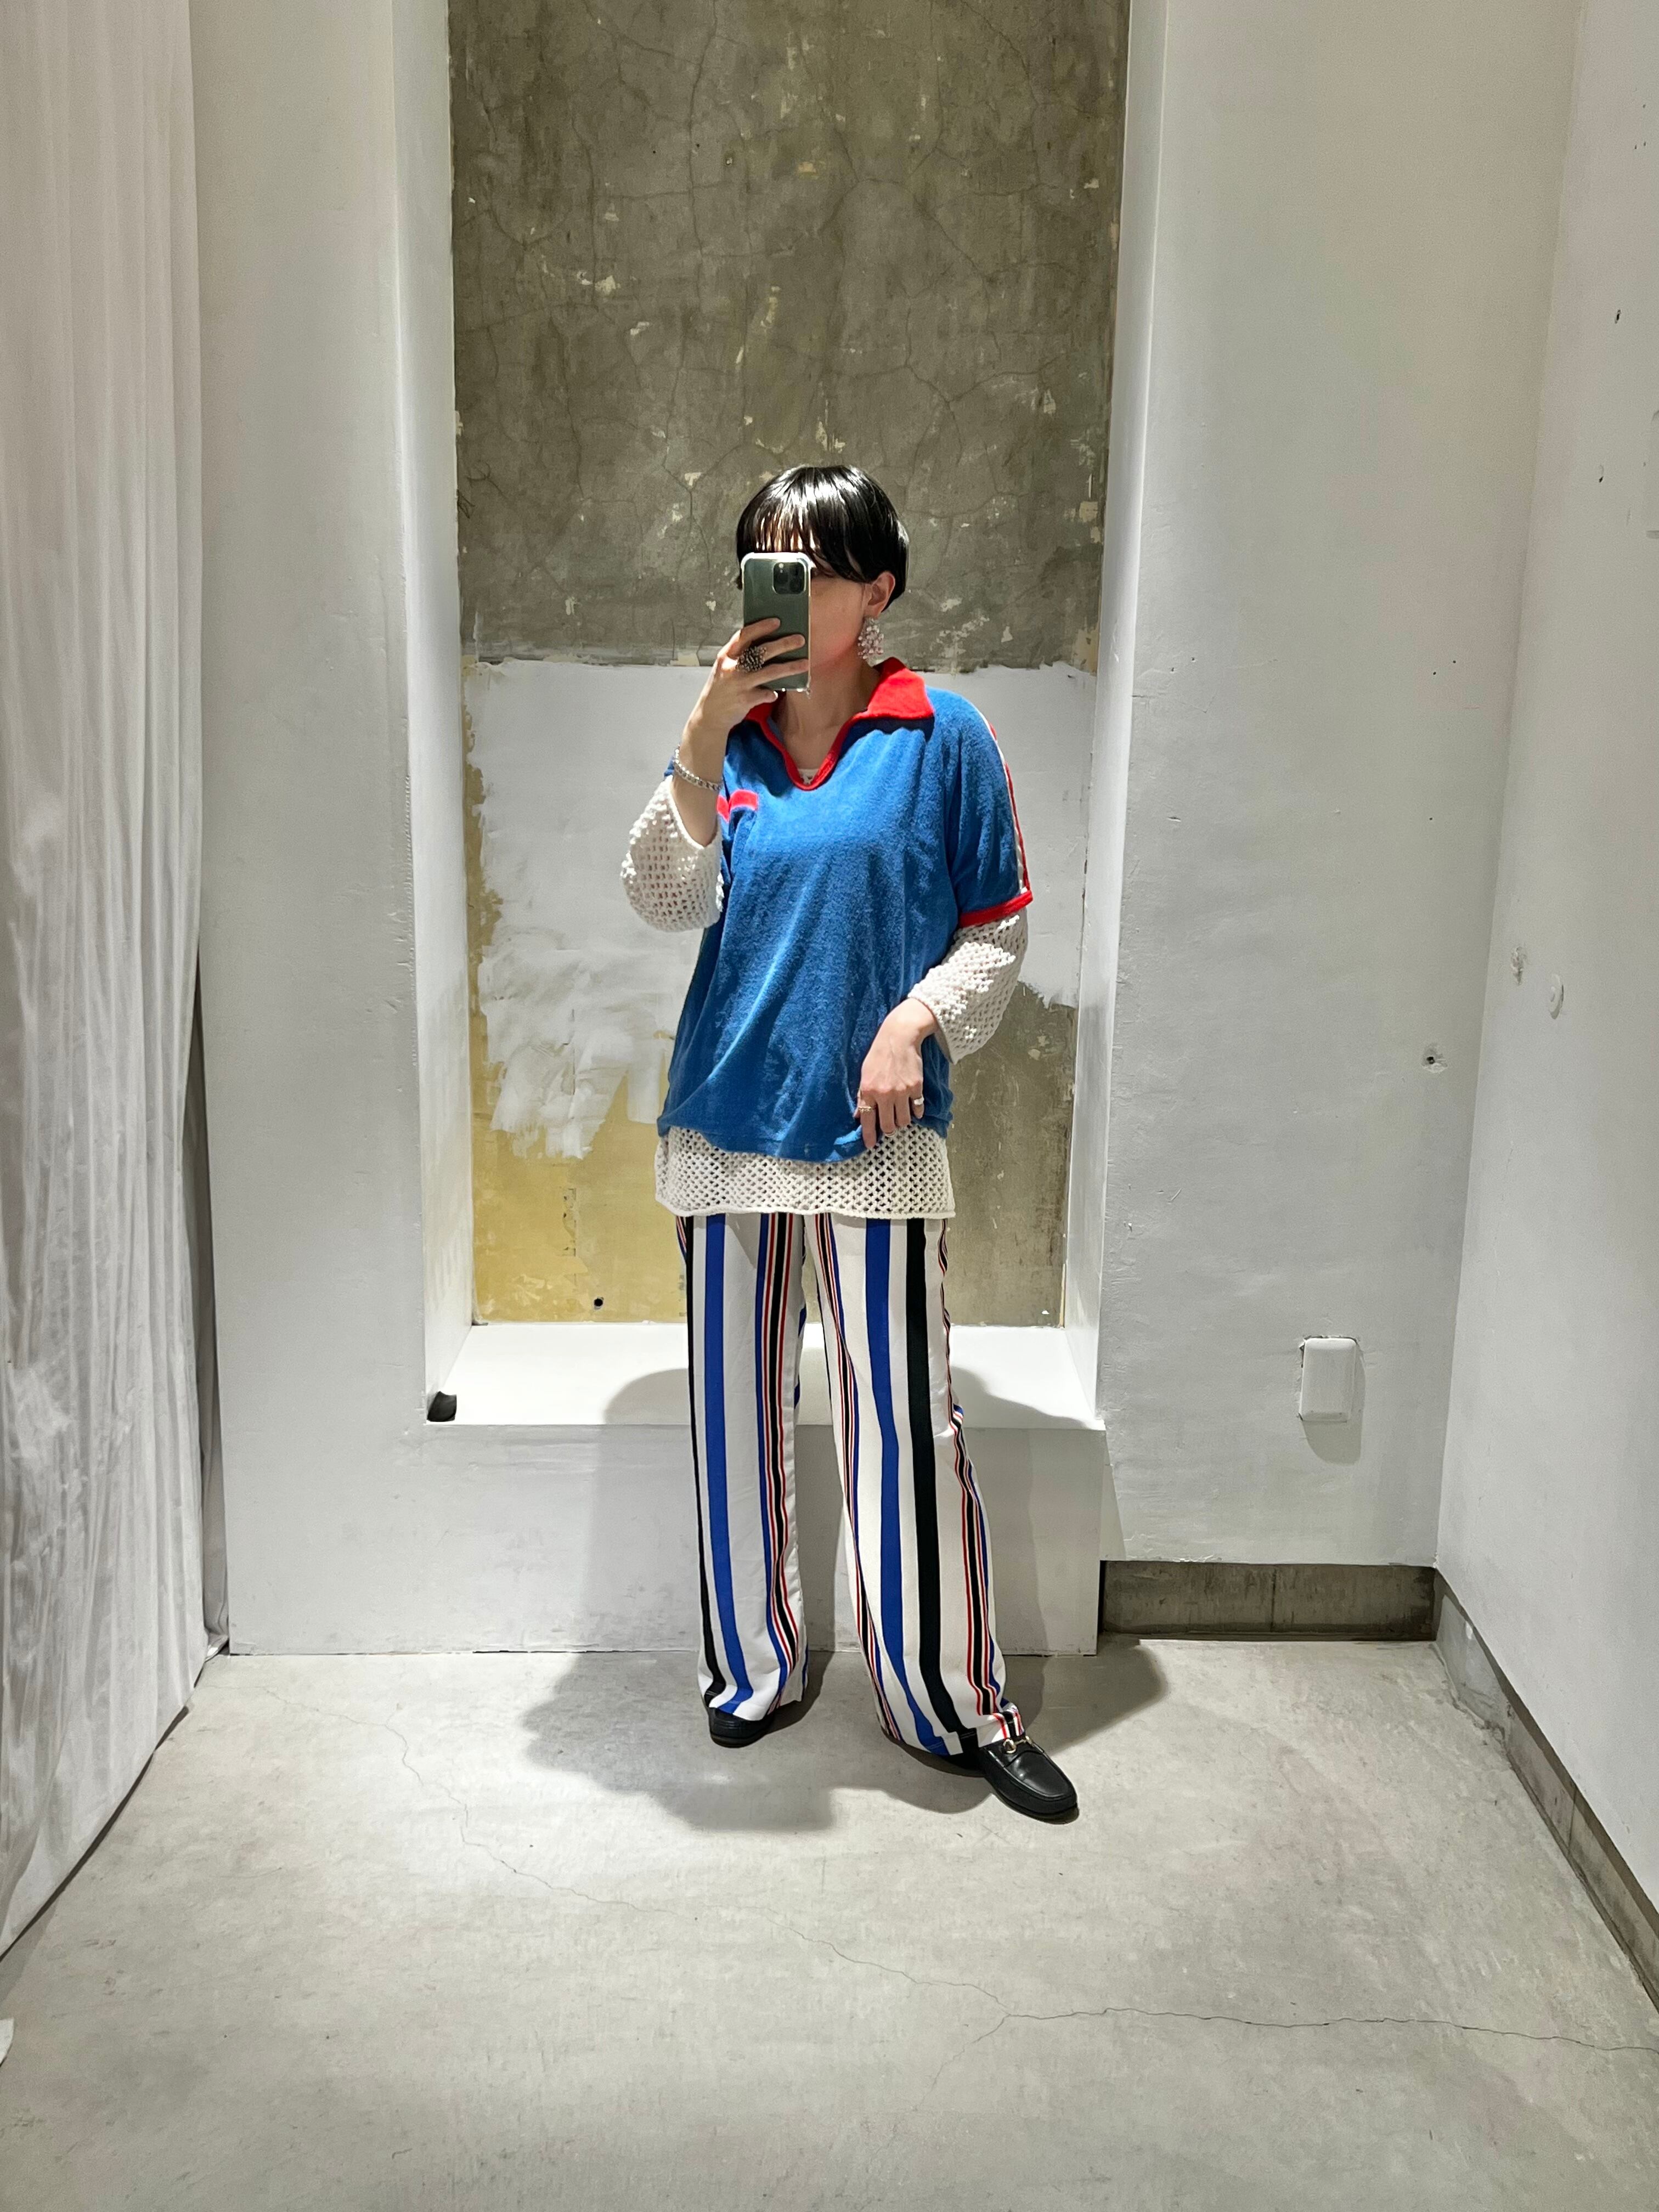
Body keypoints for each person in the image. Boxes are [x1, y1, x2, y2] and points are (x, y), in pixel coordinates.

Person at [620, 464, 1076, 1822]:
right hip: (727, 1127)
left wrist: (913, 1023)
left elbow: (996, 929)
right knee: (733, 1419)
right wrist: (703, 729)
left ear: (877, 588)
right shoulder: (731, 740)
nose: (786, 587)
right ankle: (752, 1672)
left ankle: (952, 1702)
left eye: (814, 565)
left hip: (873, 1137)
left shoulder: (942, 733)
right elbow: (662, 897)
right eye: (765, 560)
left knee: (906, 1426)